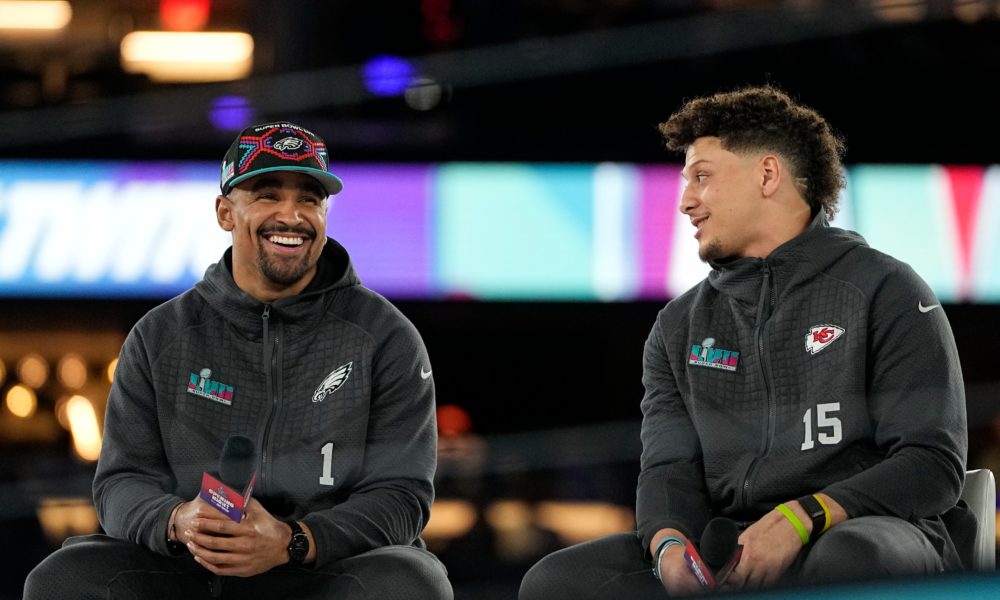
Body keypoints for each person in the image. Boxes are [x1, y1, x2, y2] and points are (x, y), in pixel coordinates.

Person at [519, 85, 971, 598]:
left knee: (849, 559)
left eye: (702, 177)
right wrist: (670, 548)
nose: (686, 202)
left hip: (865, 530)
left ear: (768, 174)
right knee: (556, 583)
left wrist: (801, 518)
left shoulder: (886, 289)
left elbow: (932, 464)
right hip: (730, 546)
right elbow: (668, 472)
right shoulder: (677, 325)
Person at [24, 122, 453, 600]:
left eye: (310, 199)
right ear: (225, 212)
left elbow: (402, 495)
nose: (291, 215)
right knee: (64, 577)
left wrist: (293, 541)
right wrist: (178, 522)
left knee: (412, 581)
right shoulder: (160, 335)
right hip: (191, 570)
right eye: (268, 195)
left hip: (322, 571)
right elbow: (121, 482)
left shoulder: (386, 336)